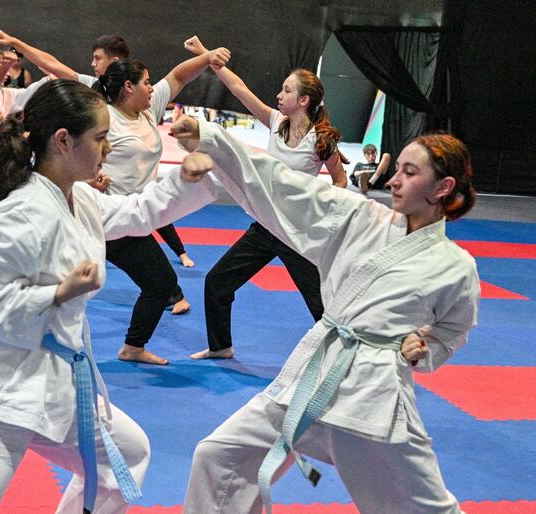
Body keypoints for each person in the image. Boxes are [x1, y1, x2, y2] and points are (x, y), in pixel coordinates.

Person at [0, 80, 218, 513]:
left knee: (126, 456)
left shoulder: (79, 198)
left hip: (55, 389)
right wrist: (56, 294)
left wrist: (184, 180)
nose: (108, 149)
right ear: (63, 141)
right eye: (100, 139)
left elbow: (137, 213)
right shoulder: (16, 213)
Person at [171, 116, 479, 514]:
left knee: (425, 508)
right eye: (397, 169)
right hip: (312, 378)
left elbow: (453, 328)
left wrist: (424, 348)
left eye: (409, 172)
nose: (394, 180)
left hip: (371, 398)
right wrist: (213, 139)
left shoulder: (456, 266)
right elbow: (283, 185)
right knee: (219, 456)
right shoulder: (357, 217)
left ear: (443, 187)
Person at [184, 36, 348, 360]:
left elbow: (340, 181)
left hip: (296, 233)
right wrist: (206, 55)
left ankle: (343, 360)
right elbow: (239, 89)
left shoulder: (321, 140)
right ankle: (221, 347)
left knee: (320, 304)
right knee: (217, 282)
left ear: (303, 100)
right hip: (264, 227)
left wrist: (319, 203)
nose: (279, 95)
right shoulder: (275, 122)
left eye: (286, 90)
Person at [0, 30, 197, 266]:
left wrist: (206, 57)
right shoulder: (94, 87)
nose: (92, 63)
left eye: (97, 58)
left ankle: (178, 263)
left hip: (124, 196)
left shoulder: (140, 96)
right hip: (107, 195)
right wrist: (17, 43)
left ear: (115, 62)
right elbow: (52, 65)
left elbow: (179, 77)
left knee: (150, 227)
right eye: (100, 139)